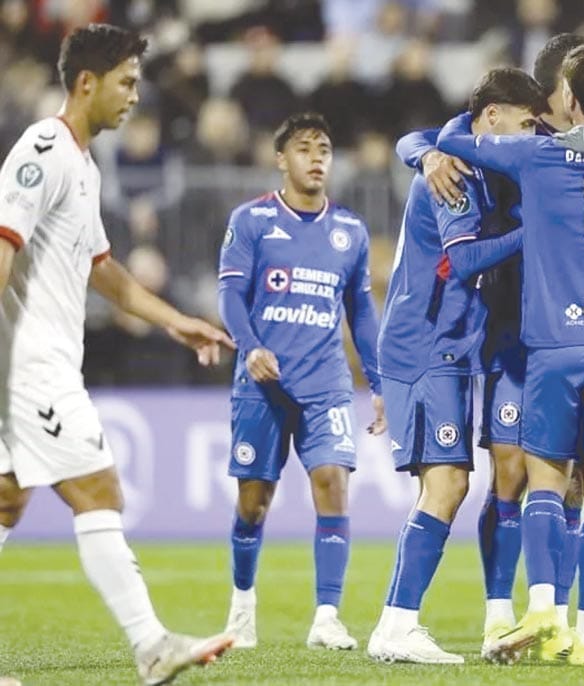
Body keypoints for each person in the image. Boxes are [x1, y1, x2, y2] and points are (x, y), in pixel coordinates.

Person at [0, 24, 235, 686]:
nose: (134, 96)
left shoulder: (82, 162)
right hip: (26, 362)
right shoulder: (42, 150)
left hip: (35, 360)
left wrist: (177, 322)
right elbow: (2, 242)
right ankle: (152, 645)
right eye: (127, 81)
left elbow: (105, 271)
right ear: (86, 83)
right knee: (99, 487)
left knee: (7, 501)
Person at [438, 43, 584, 665]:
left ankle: (544, 610)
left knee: (545, 487)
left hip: (557, 346)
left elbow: (456, 138)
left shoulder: (535, 155)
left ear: (567, 98)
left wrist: (434, 148)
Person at [367, 67, 545, 665]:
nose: (531, 134)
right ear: (492, 116)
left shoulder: (459, 158)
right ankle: (396, 625)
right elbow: (465, 260)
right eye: (524, 122)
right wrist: (531, 232)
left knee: (448, 484)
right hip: (424, 345)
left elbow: (424, 139)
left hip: (448, 348)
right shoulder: (455, 173)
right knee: (447, 483)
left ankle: (399, 622)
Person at [217, 112, 386, 652]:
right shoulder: (251, 221)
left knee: (334, 482)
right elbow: (230, 297)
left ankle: (327, 616)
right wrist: (252, 348)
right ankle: (242, 606)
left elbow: (361, 312)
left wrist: (379, 381)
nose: (317, 158)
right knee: (254, 502)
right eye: (305, 149)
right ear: (281, 159)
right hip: (261, 383)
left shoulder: (351, 232)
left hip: (326, 381)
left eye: (326, 149)